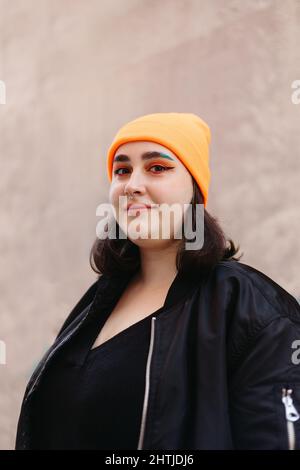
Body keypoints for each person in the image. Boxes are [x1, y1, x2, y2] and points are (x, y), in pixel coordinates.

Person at [15, 112, 300, 450]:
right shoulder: (96, 302)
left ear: (194, 188)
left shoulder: (251, 308)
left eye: (157, 168)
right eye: (122, 170)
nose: (133, 184)